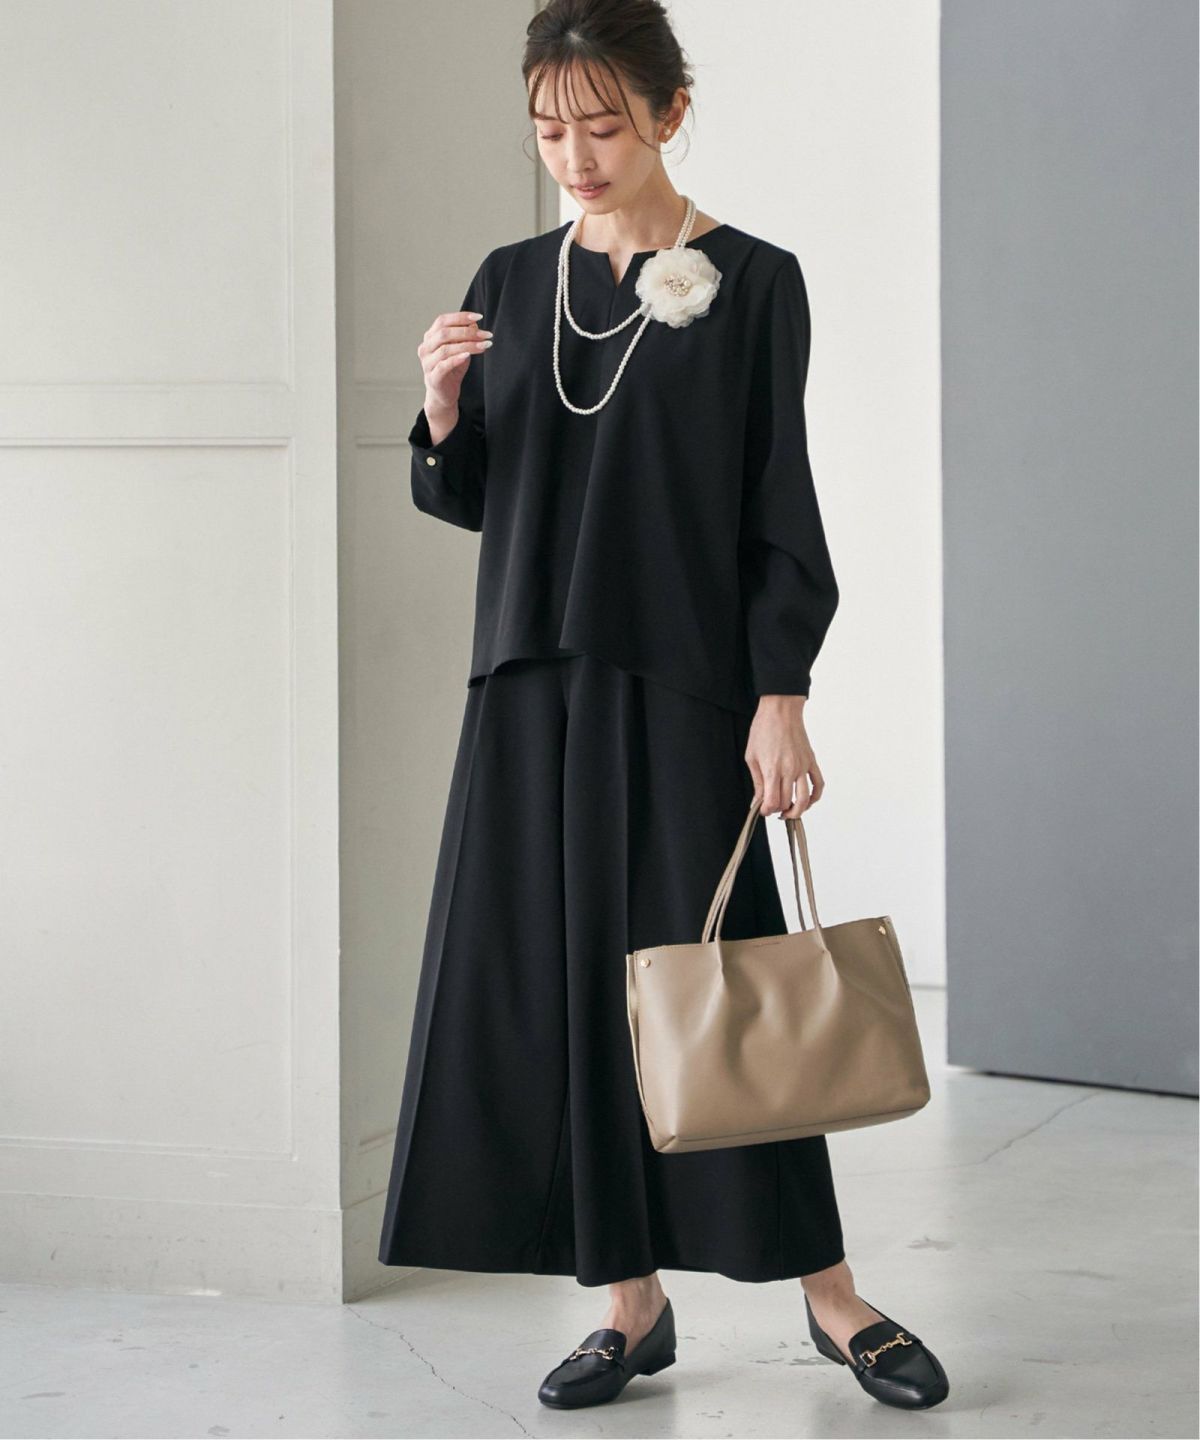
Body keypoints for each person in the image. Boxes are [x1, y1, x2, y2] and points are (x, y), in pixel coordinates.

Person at [378, 0, 948, 1414]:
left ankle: (831, 1296)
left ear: (669, 113)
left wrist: (780, 694)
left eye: (603, 125)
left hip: (685, 685)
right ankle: (630, 1309)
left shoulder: (751, 281)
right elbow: (481, 494)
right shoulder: (511, 280)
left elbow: (777, 503)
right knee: (572, 990)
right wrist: (442, 412)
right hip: (529, 688)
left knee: (729, 983)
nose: (574, 155)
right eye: (549, 129)